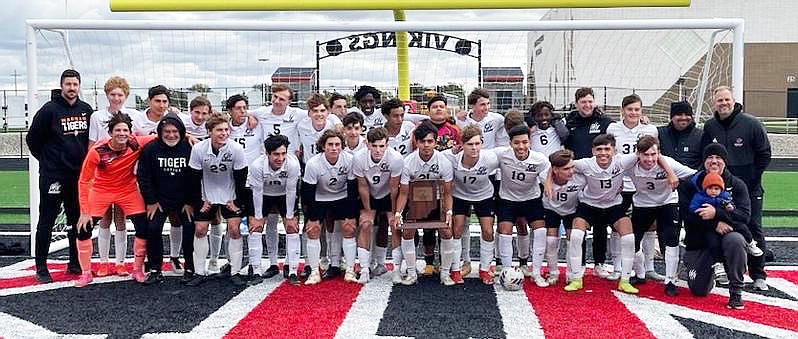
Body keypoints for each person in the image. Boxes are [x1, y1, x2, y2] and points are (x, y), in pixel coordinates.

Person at [566, 134, 676, 294]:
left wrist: (671, 173)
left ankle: (625, 280)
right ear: (593, 151)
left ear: (614, 151)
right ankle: (576, 279)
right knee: (576, 235)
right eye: (599, 149)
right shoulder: (584, 164)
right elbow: (559, 165)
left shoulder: (622, 161)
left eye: (607, 149)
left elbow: (652, 153)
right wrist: (549, 181)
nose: (603, 153)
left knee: (629, 238)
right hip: (589, 205)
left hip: (613, 205)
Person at [700, 86, 772, 291]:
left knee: (753, 227)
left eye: (726, 100)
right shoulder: (710, 126)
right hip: (719, 191)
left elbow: (765, 154)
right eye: (719, 101)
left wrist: (749, 180)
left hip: (749, 189)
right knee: (719, 225)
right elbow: (705, 156)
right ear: (714, 103)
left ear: (734, 101)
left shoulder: (752, 124)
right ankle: (723, 268)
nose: (723, 104)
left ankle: (758, 274)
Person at [75, 113, 158, 287]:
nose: (122, 133)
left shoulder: (136, 143)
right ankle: (86, 273)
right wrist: (84, 212)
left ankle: (137, 269)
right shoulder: (97, 150)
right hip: (101, 190)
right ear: (111, 132)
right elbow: (84, 181)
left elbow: (163, 135)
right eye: (118, 130)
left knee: (144, 227)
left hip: (127, 190)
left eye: (125, 130)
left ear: (130, 132)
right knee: (83, 228)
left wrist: (187, 135)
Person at [27, 69, 92, 283]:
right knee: (47, 219)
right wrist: (48, 161)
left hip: (78, 176)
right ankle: (41, 267)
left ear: (79, 86)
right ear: (61, 85)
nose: (71, 88)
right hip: (53, 175)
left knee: (76, 219)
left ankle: (74, 263)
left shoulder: (86, 110)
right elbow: (32, 140)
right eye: (68, 84)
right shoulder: (49, 110)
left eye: (75, 84)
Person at [682, 143, 752, 310]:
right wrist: (714, 223)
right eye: (709, 157)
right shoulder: (690, 184)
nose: (714, 161)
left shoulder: (737, 184)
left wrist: (718, 213)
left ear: (725, 161)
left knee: (736, 240)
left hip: (728, 234)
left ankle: (736, 290)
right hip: (700, 239)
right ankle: (707, 269)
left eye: (718, 158)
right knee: (698, 290)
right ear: (703, 161)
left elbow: (744, 216)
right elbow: (687, 216)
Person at [626, 136, 695, 296]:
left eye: (653, 154)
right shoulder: (630, 164)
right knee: (633, 240)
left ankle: (670, 280)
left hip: (667, 202)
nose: (649, 159)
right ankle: (640, 274)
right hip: (643, 204)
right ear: (638, 154)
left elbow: (694, 175)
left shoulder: (669, 163)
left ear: (659, 154)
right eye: (645, 155)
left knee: (671, 238)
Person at [86, 76, 140, 278]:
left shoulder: (133, 115)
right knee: (104, 220)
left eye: (120, 94)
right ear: (107, 95)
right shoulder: (97, 116)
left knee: (121, 220)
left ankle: (120, 262)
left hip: (125, 175)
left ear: (126, 96)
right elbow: (92, 145)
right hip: (103, 175)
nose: (116, 98)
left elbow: (150, 129)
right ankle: (103, 262)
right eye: (113, 94)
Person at [185, 113, 248, 287]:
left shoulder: (236, 149)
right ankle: (199, 272)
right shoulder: (198, 149)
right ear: (209, 131)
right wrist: (200, 201)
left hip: (230, 194)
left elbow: (242, 177)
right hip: (207, 194)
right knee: (200, 229)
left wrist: (237, 201)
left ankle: (235, 271)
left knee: (235, 229)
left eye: (226, 129)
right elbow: (193, 178)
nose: (224, 133)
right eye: (219, 130)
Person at [393, 121, 454, 286]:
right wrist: (398, 213)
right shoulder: (407, 162)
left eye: (430, 141)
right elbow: (404, 192)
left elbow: (448, 192)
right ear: (416, 142)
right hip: (415, 203)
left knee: (447, 231)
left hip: (437, 201)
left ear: (435, 142)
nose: (426, 145)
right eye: (423, 141)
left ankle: (445, 274)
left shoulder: (444, 162)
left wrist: (448, 212)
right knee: (407, 232)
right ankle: (412, 273)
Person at [136, 113, 195, 284]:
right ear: (160, 132)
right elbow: (143, 176)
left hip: (184, 200)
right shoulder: (151, 149)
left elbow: (195, 176)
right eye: (167, 131)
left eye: (175, 131)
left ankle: (190, 267)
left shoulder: (189, 147)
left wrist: (190, 202)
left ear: (181, 131)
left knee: (190, 227)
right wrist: (151, 201)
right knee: (153, 228)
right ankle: (155, 269)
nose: (171, 135)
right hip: (159, 200)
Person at [606, 94, 658, 281]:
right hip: (621, 184)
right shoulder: (613, 128)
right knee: (617, 225)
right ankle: (617, 267)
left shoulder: (650, 129)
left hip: (642, 183)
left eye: (637, 109)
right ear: (622, 111)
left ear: (641, 111)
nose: (633, 113)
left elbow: (654, 155)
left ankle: (649, 267)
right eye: (630, 109)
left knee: (649, 225)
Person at [563, 87, 614, 278]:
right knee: (579, 222)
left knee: (600, 222)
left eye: (590, 101)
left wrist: (642, 120)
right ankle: (581, 263)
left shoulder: (604, 121)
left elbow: (622, 129)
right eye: (583, 102)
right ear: (577, 104)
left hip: (598, 176)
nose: (587, 105)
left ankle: (600, 263)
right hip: (577, 175)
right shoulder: (569, 122)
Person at [492, 125, 551, 287]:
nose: (521, 146)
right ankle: (506, 271)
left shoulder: (539, 159)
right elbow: (482, 157)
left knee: (540, 231)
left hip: (531, 199)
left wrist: (547, 184)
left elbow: (548, 175)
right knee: (504, 231)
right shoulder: (501, 155)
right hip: (507, 199)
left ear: (530, 142)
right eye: (517, 143)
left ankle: (536, 272)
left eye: (524, 142)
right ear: (510, 143)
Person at [441, 124, 499, 285]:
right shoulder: (449, 157)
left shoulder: (490, 158)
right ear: (461, 145)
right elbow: (433, 156)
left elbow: (509, 157)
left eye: (477, 143)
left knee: (488, 231)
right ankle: (455, 269)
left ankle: (485, 269)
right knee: (457, 230)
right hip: (460, 195)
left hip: (484, 195)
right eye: (470, 144)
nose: (474, 148)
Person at [300, 129, 358, 285]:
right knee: (313, 230)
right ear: (323, 146)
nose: (334, 148)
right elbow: (307, 193)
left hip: (342, 196)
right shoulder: (313, 164)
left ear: (342, 146)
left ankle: (350, 270)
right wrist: (312, 219)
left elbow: (353, 188)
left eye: (337, 144)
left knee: (348, 227)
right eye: (330, 144)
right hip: (319, 198)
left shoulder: (350, 159)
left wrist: (351, 215)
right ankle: (314, 272)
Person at [246, 135, 301, 285]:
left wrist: (290, 216)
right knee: (256, 228)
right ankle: (257, 270)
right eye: (276, 154)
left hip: (284, 194)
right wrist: (257, 216)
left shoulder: (292, 164)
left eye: (283, 153)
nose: (280, 158)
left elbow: (291, 190)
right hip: (263, 194)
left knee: (292, 227)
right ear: (267, 153)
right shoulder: (257, 165)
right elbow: (257, 192)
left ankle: (293, 271)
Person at [352, 128, 404, 284]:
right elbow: (362, 186)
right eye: (374, 146)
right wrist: (368, 210)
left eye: (381, 146)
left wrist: (394, 213)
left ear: (387, 145)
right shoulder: (359, 158)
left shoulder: (395, 158)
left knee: (395, 225)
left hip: (388, 193)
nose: (378, 150)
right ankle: (365, 269)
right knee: (366, 224)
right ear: (367, 144)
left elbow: (394, 187)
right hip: (369, 192)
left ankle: (396, 270)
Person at [688, 172, 763, 257]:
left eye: (716, 189)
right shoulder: (700, 197)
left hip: (727, 219)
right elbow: (692, 210)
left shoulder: (725, 196)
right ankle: (718, 263)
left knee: (742, 228)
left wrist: (729, 208)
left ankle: (750, 243)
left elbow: (740, 214)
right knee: (713, 241)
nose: (713, 191)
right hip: (708, 224)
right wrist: (699, 211)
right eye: (710, 188)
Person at [542, 149, 586, 287]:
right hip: (551, 208)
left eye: (572, 167)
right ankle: (553, 272)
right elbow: (547, 169)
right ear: (555, 170)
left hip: (572, 209)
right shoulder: (544, 176)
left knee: (572, 239)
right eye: (566, 169)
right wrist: (549, 179)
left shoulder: (580, 177)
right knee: (550, 240)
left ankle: (571, 273)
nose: (571, 171)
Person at [658, 101, 703, 169]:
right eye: (679, 114)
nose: (683, 117)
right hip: (665, 177)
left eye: (687, 114)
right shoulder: (660, 133)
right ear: (672, 117)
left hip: (691, 178)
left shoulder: (701, 135)